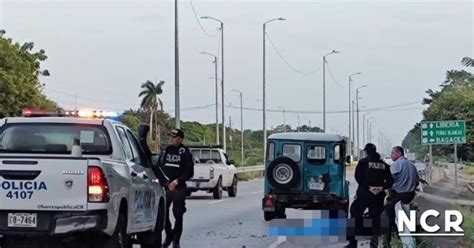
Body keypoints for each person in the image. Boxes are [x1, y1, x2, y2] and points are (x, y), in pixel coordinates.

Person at [347, 143, 393, 248]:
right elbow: (390, 181)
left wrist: (369, 187)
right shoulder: (384, 165)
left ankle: (353, 243)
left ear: (366, 152)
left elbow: (358, 177)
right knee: (375, 219)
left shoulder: (363, 162)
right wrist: (381, 187)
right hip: (378, 196)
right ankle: (374, 243)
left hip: (364, 194)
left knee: (354, 214)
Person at [160, 129, 194, 248]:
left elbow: (189, 172)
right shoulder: (167, 150)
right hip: (166, 187)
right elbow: (161, 165)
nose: (171, 139)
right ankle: (169, 234)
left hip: (179, 188)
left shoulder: (184, 152)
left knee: (178, 213)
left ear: (180, 139)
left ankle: (176, 240)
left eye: (174, 137)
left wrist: (177, 181)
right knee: (163, 213)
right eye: (171, 136)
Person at [384, 146, 419, 238]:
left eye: (393, 153)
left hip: (400, 194)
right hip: (410, 195)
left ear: (399, 153)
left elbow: (388, 178)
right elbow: (417, 182)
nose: (391, 155)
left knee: (388, 212)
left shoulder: (397, 164)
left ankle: (388, 238)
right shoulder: (411, 165)